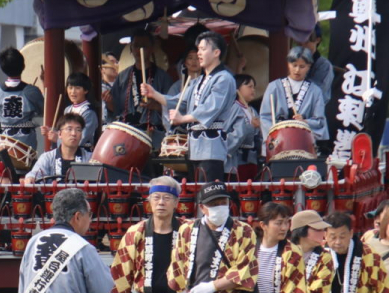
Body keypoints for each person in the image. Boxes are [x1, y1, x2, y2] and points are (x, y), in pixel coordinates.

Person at [168, 32, 242, 182]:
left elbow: (210, 107)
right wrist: (155, 94)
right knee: (197, 195)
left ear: (216, 52)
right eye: (198, 49)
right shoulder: (199, 80)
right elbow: (178, 101)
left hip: (211, 147)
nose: (199, 53)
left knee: (208, 195)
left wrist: (182, 118)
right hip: (195, 146)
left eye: (202, 49)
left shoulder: (224, 78)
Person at [259, 46, 329, 147]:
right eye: (294, 65)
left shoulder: (315, 91)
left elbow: (320, 121)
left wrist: (304, 121)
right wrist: (276, 134)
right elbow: (265, 116)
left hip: (303, 142)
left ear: (309, 66)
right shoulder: (274, 86)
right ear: (288, 64)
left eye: (302, 66)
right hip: (277, 143)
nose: (297, 70)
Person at [111, 35, 172, 137]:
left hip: (152, 132)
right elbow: (115, 109)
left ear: (152, 48)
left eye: (144, 46)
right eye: (136, 46)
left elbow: (173, 107)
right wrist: (109, 101)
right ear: (131, 49)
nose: (140, 50)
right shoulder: (123, 77)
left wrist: (156, 106)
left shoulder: (163, 78)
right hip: (127, 131)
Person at [0, 47, 45, 150]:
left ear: (3, 68)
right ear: (23, 66)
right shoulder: (32, 91)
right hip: (26, 143)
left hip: (3, 142)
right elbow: (44, 110)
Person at [24, 112, 92, 184]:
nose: (74, 133)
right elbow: (35, 173)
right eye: (69, 129)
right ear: (59, 134)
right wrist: (30, 178)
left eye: (78, 130)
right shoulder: (47, 157)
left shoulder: (90, 158)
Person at [61, 72, 99, 152]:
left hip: (83, 152)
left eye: (77, 88)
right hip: (68, 150)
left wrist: (58, 140)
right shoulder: (67, 109)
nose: (72, 92)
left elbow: (83, 137)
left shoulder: (89, 112)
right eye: (70, 87)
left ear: (86, 90)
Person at [303, 26, 334, 97]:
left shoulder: (324, 65)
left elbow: (316, 93)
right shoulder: (293, 60)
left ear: (317, 40)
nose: (303, 44)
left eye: (307, 40)